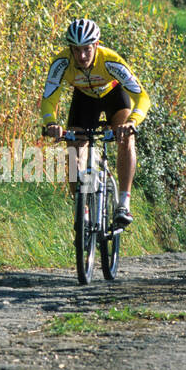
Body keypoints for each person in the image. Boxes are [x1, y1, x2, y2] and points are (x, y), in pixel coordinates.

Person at [40, 18, 150, 228]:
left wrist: (133, 122)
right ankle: (82, 207)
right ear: (70, 49)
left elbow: (142, 97)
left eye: (87, 50)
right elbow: (49, 99)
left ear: (96, 45)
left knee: (126, 137)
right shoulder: (61, 63)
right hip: (84, 100)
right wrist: (51, 123)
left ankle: (124, 203)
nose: (81, 56)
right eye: (76, 50)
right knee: (73, 151)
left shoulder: (110, 60)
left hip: (114, 96)